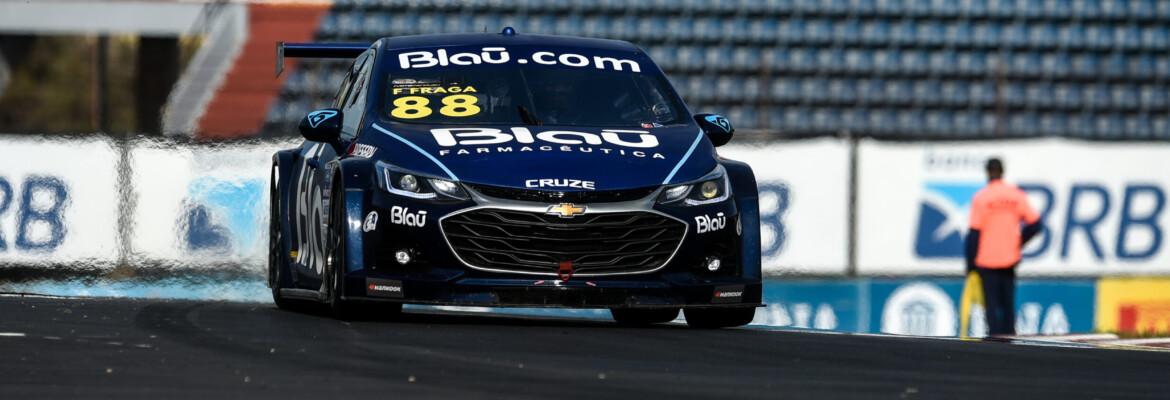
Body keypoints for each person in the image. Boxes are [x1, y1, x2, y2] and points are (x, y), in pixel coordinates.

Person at [965, 158, 1043, 336]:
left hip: (986, 260)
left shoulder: (982, 198)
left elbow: (974, 234)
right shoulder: (1016, 195)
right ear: (1003, 171)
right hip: (1009, 258)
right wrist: (1019, 241)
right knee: (1008, 305)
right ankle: (1009, 341)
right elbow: (1036, 224)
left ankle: (994, 343)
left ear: (988, 173)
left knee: (991, 307)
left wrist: (970, 266)